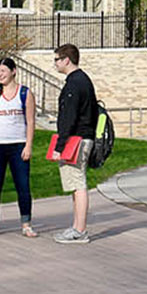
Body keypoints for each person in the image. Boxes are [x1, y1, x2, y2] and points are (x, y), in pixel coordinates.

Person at [0, 57, 38, 238]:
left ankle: (26, 224)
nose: (0, 75)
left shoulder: (25, 93)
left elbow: (30, 121)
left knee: (23, 185)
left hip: (18, 145)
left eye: (3, 71)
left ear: (14, 71)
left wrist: (28, 145)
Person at [51, 43, 98, 244]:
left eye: (56, 59)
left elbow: (68, 117)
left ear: (66, 60)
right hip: (84, 136)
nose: (55, 64)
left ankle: (79, 230)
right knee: (76, 184)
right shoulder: (84, 80)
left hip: (76, 140)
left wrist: (59, 147)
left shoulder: (74, 83)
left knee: (78, 184)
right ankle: (76, 227)